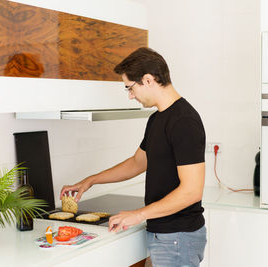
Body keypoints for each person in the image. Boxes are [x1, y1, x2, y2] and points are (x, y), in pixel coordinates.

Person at [60, 47, 206, 267]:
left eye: (130, 87)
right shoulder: (157, 119)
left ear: (148, 80)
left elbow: (192, 191)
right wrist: (90, 180)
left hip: (178, 236)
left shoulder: (183, 121)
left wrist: (138, 214)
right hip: (166, 236)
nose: (130, 95)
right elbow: (137, 162)